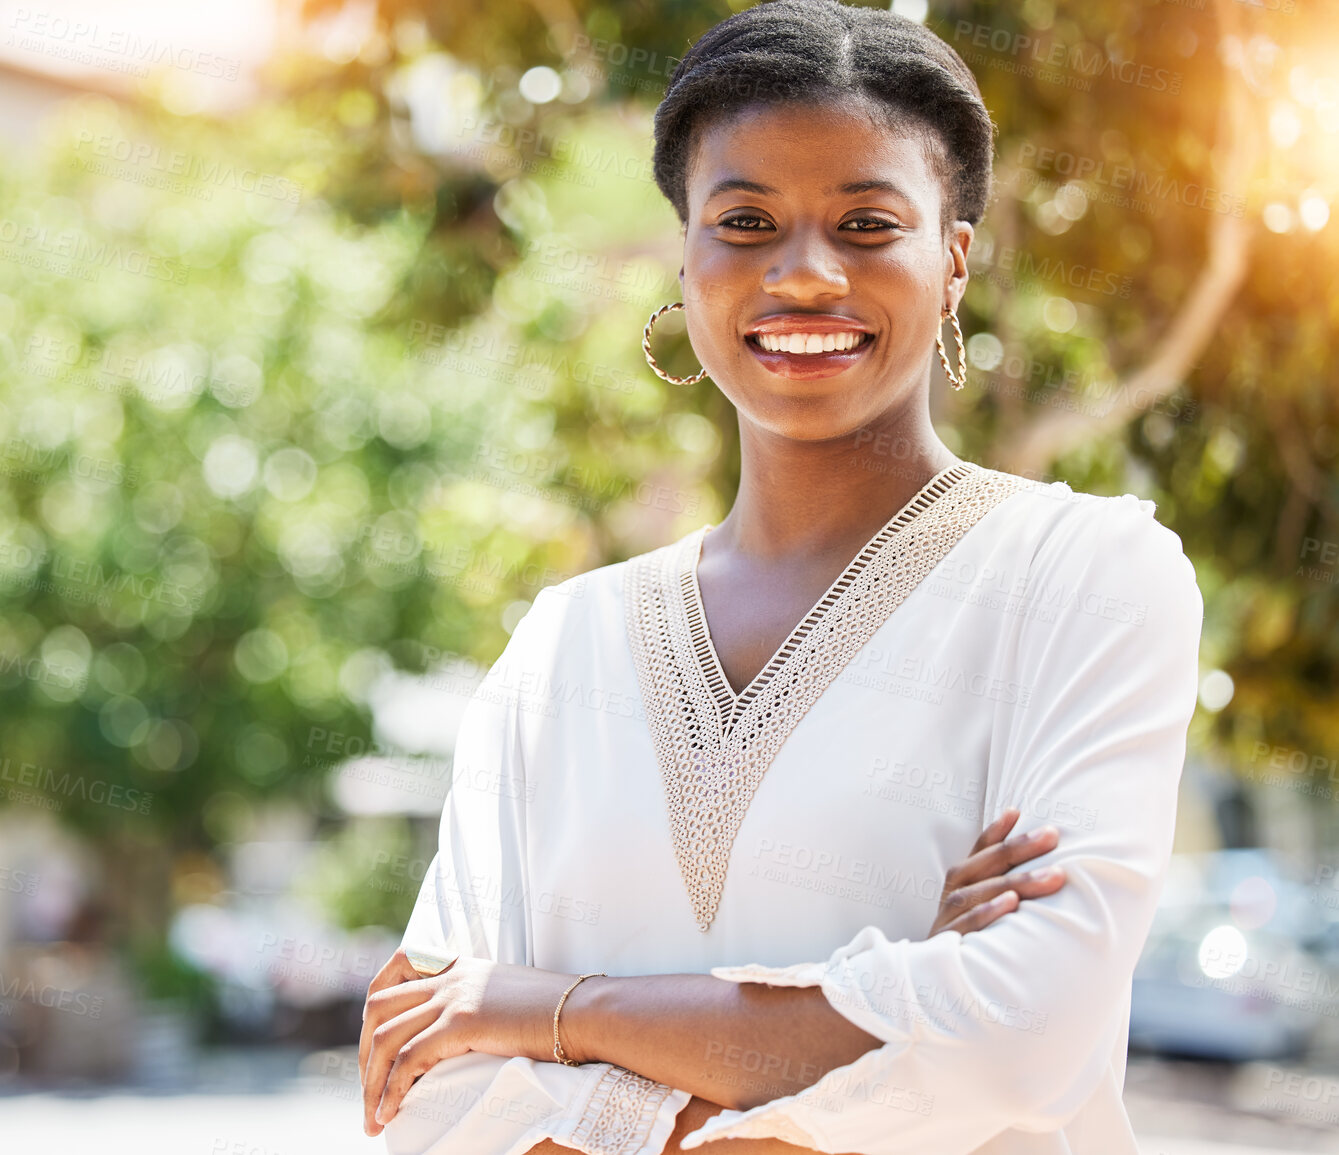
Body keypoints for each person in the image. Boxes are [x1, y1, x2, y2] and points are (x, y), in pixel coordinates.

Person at [358, 2, 1203, 1152]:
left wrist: (550, 1014)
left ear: (951, 261)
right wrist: (876, 1025)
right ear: (688, 256)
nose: (803, 274)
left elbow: (1017, 1041)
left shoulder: (1083, 577)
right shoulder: (565, 645)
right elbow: (428, 1092)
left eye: (866, 224)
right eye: (744, 220)